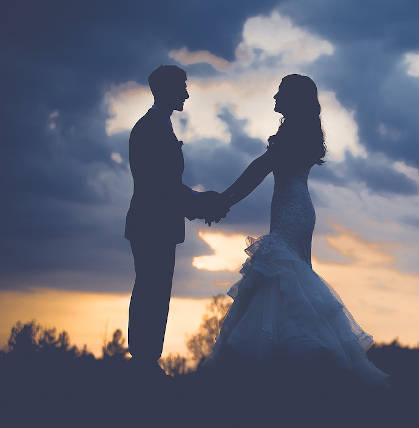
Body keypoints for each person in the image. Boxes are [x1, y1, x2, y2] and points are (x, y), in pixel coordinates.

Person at [206, 74, 388, 387]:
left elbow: (257, 171)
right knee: (289, 278)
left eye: (280, 92)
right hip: (299, 209)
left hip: (291, 211)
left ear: (292, 99)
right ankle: (294, 367)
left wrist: (223, 201)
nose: (274, 97)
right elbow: (259, 170)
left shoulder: (290, 135)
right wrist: (224, 201)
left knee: (280, 274)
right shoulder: (298, 132)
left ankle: (282, 366)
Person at [124, 65, 228, 375]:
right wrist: (201, 202)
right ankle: (144, 362)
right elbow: (161, 186)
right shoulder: (150, 128)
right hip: (151, 225)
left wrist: (199, 201)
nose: (186, 93)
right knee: (151, 294)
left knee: (154, 293)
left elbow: (165, 185)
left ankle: (146, 361)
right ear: (165, 90)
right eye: (182, 87)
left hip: (156, 225)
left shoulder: (158, 126)